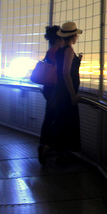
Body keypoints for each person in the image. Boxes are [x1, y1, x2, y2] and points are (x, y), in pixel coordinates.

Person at [48, 21, 83, 165]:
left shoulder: (59, 51)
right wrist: (72, 94)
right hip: (67, 94)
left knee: (61, 123)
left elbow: (58, 71)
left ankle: (59, 155)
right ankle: (46, 150)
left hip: (60, 92)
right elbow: (66, 73)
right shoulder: (68, 50)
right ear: (74, 36)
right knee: (66, 125)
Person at [38, 25, 62, 165]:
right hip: (54, 90)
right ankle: (46, 148)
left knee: (49, 118)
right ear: (59, 38)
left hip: (48, 89)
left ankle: (45, 145)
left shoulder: (50, 51)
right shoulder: (56, 52)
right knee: (54, 119)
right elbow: (60, 73)